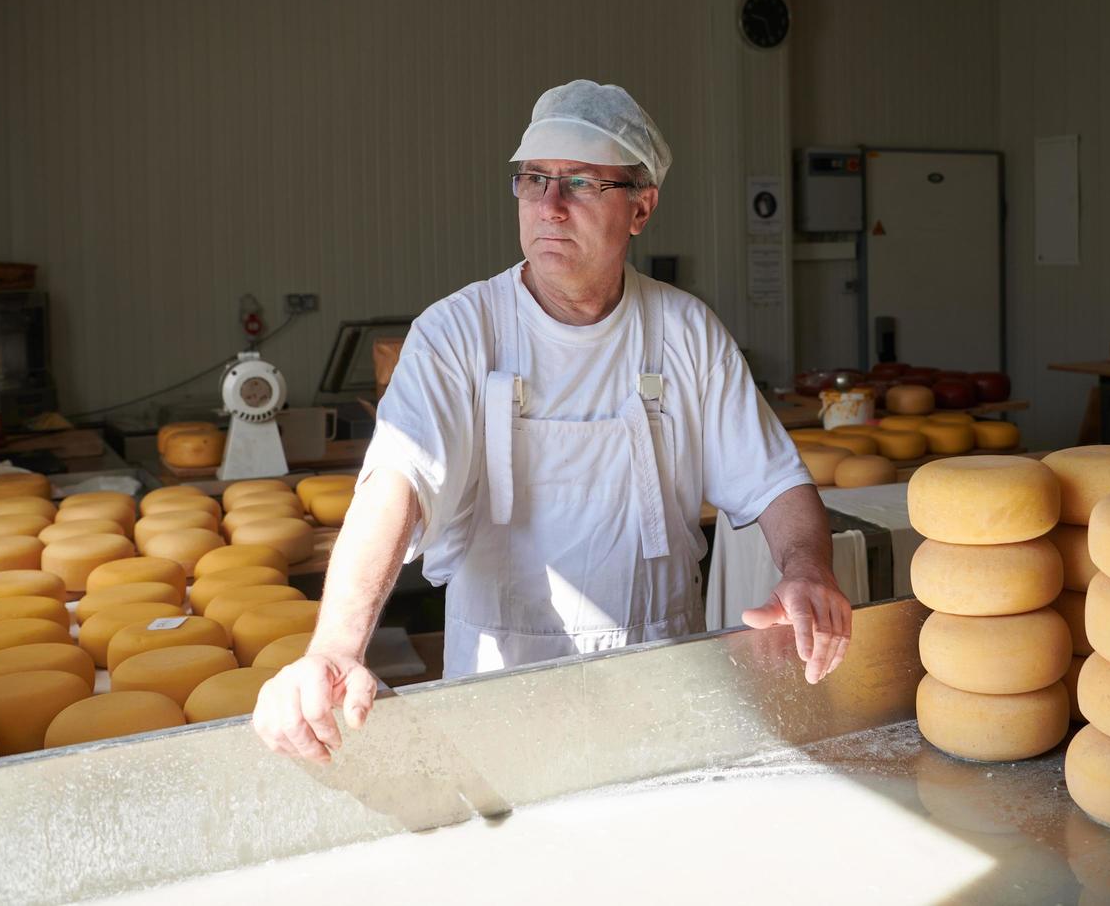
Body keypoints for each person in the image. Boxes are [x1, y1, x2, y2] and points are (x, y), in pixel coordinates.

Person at [254, 80, 853, 763]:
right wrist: (334, 647)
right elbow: (397, 481)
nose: (549, 206)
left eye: (580, 183)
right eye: (533, 179)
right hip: (500, 689)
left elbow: (774, 481)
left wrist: (807, 570)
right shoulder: (460, 331)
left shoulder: (685, 330)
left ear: (640, 207)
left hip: (658, 677)